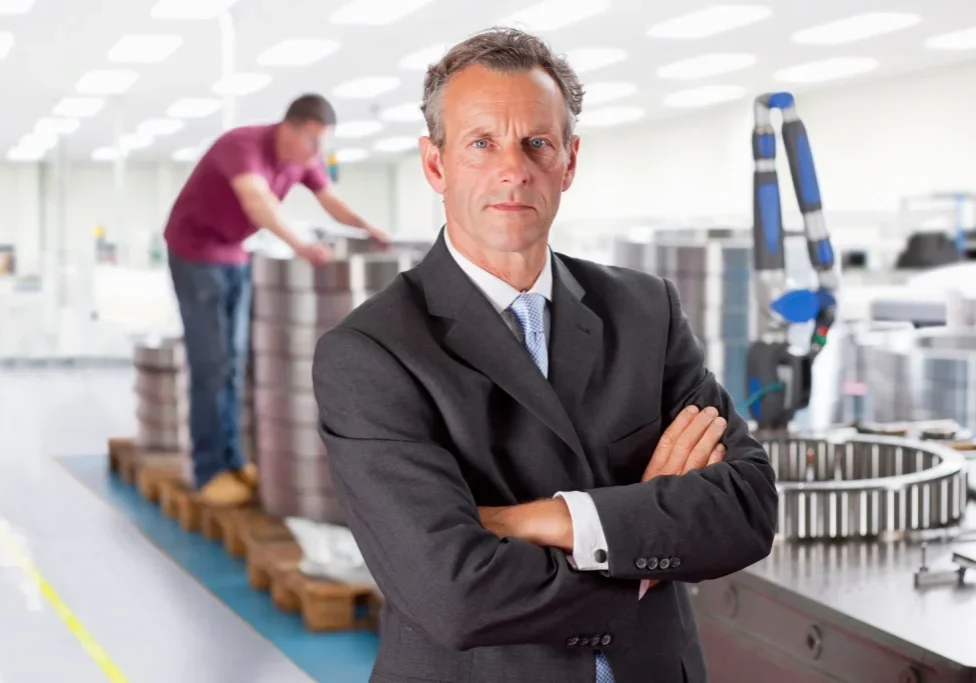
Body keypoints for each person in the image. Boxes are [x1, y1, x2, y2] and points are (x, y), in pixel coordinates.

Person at [311, 28, 777, 683]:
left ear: (569, 160)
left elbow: (748, 507)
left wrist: (549, 520)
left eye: (537, 142)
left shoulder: (646, 312)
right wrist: (639, 547)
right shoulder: (372, 353)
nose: (514, 168)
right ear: (436, 164)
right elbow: (455, 591)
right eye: (481, 143)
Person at [165, 93, 389, 506]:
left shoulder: (302, 159)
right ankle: (208, 470)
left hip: (234, 253)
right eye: (313, 141)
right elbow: (258, 202)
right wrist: (301, 246)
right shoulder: (243, 146)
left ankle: (232, 459)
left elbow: (330, 199)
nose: (317, 153)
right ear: (290, 129)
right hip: (195, 253)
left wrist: (367, 228)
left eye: (324, 143)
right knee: (210, 363)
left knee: (234, 361)